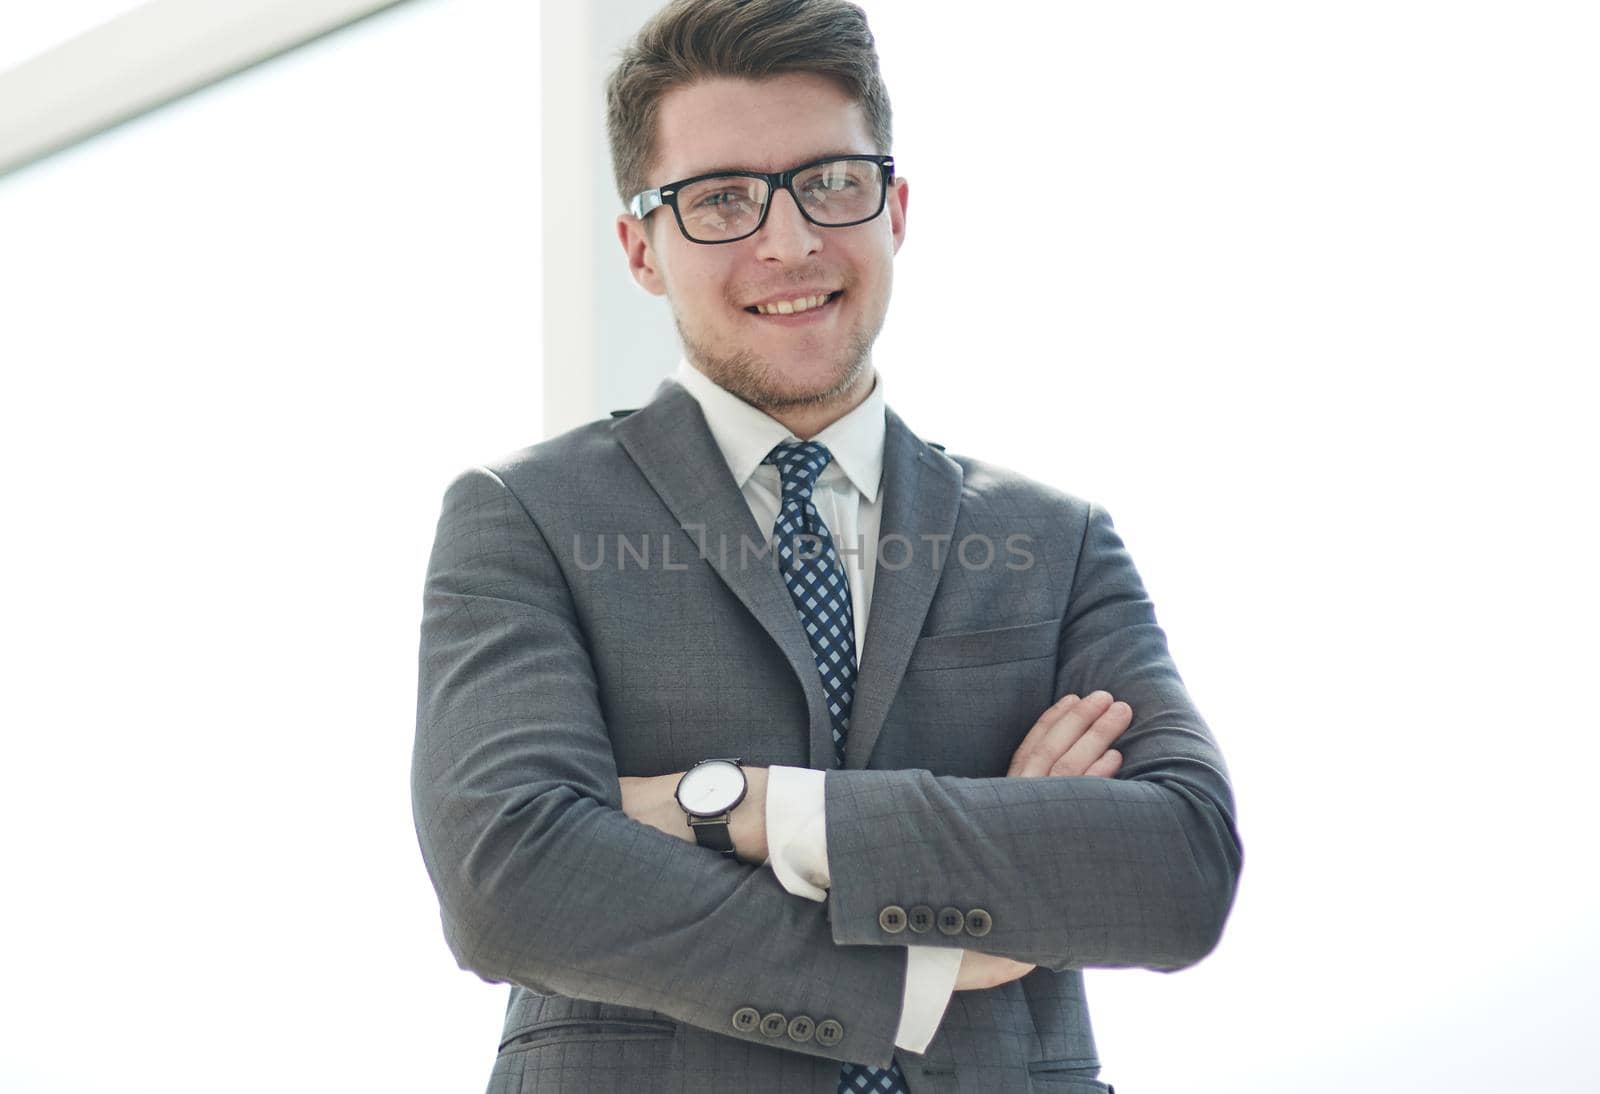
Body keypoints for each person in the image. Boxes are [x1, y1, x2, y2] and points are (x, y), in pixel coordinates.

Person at [410, 1, 1243, 1091]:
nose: (789, 239)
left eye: (831, 183)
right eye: (718, 200)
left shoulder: (1053, 542)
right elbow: (508, 875)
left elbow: (1176, 865)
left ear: (894, 208)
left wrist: (746, 805)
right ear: (639, 249)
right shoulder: (526, 515)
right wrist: (926, 966)